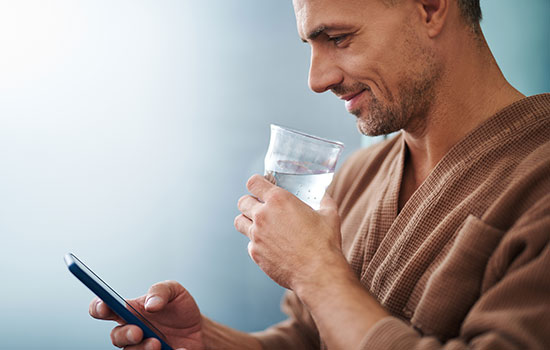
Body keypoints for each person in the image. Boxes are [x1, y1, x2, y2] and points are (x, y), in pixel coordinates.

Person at [90, 0, 550, 349]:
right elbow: (312, 338)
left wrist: (315, 271)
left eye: (339, 38)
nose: (317, 79)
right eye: (311, 44)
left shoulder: (538, 181)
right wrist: (207, 340)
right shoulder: (359, 177)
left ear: (429, 8)